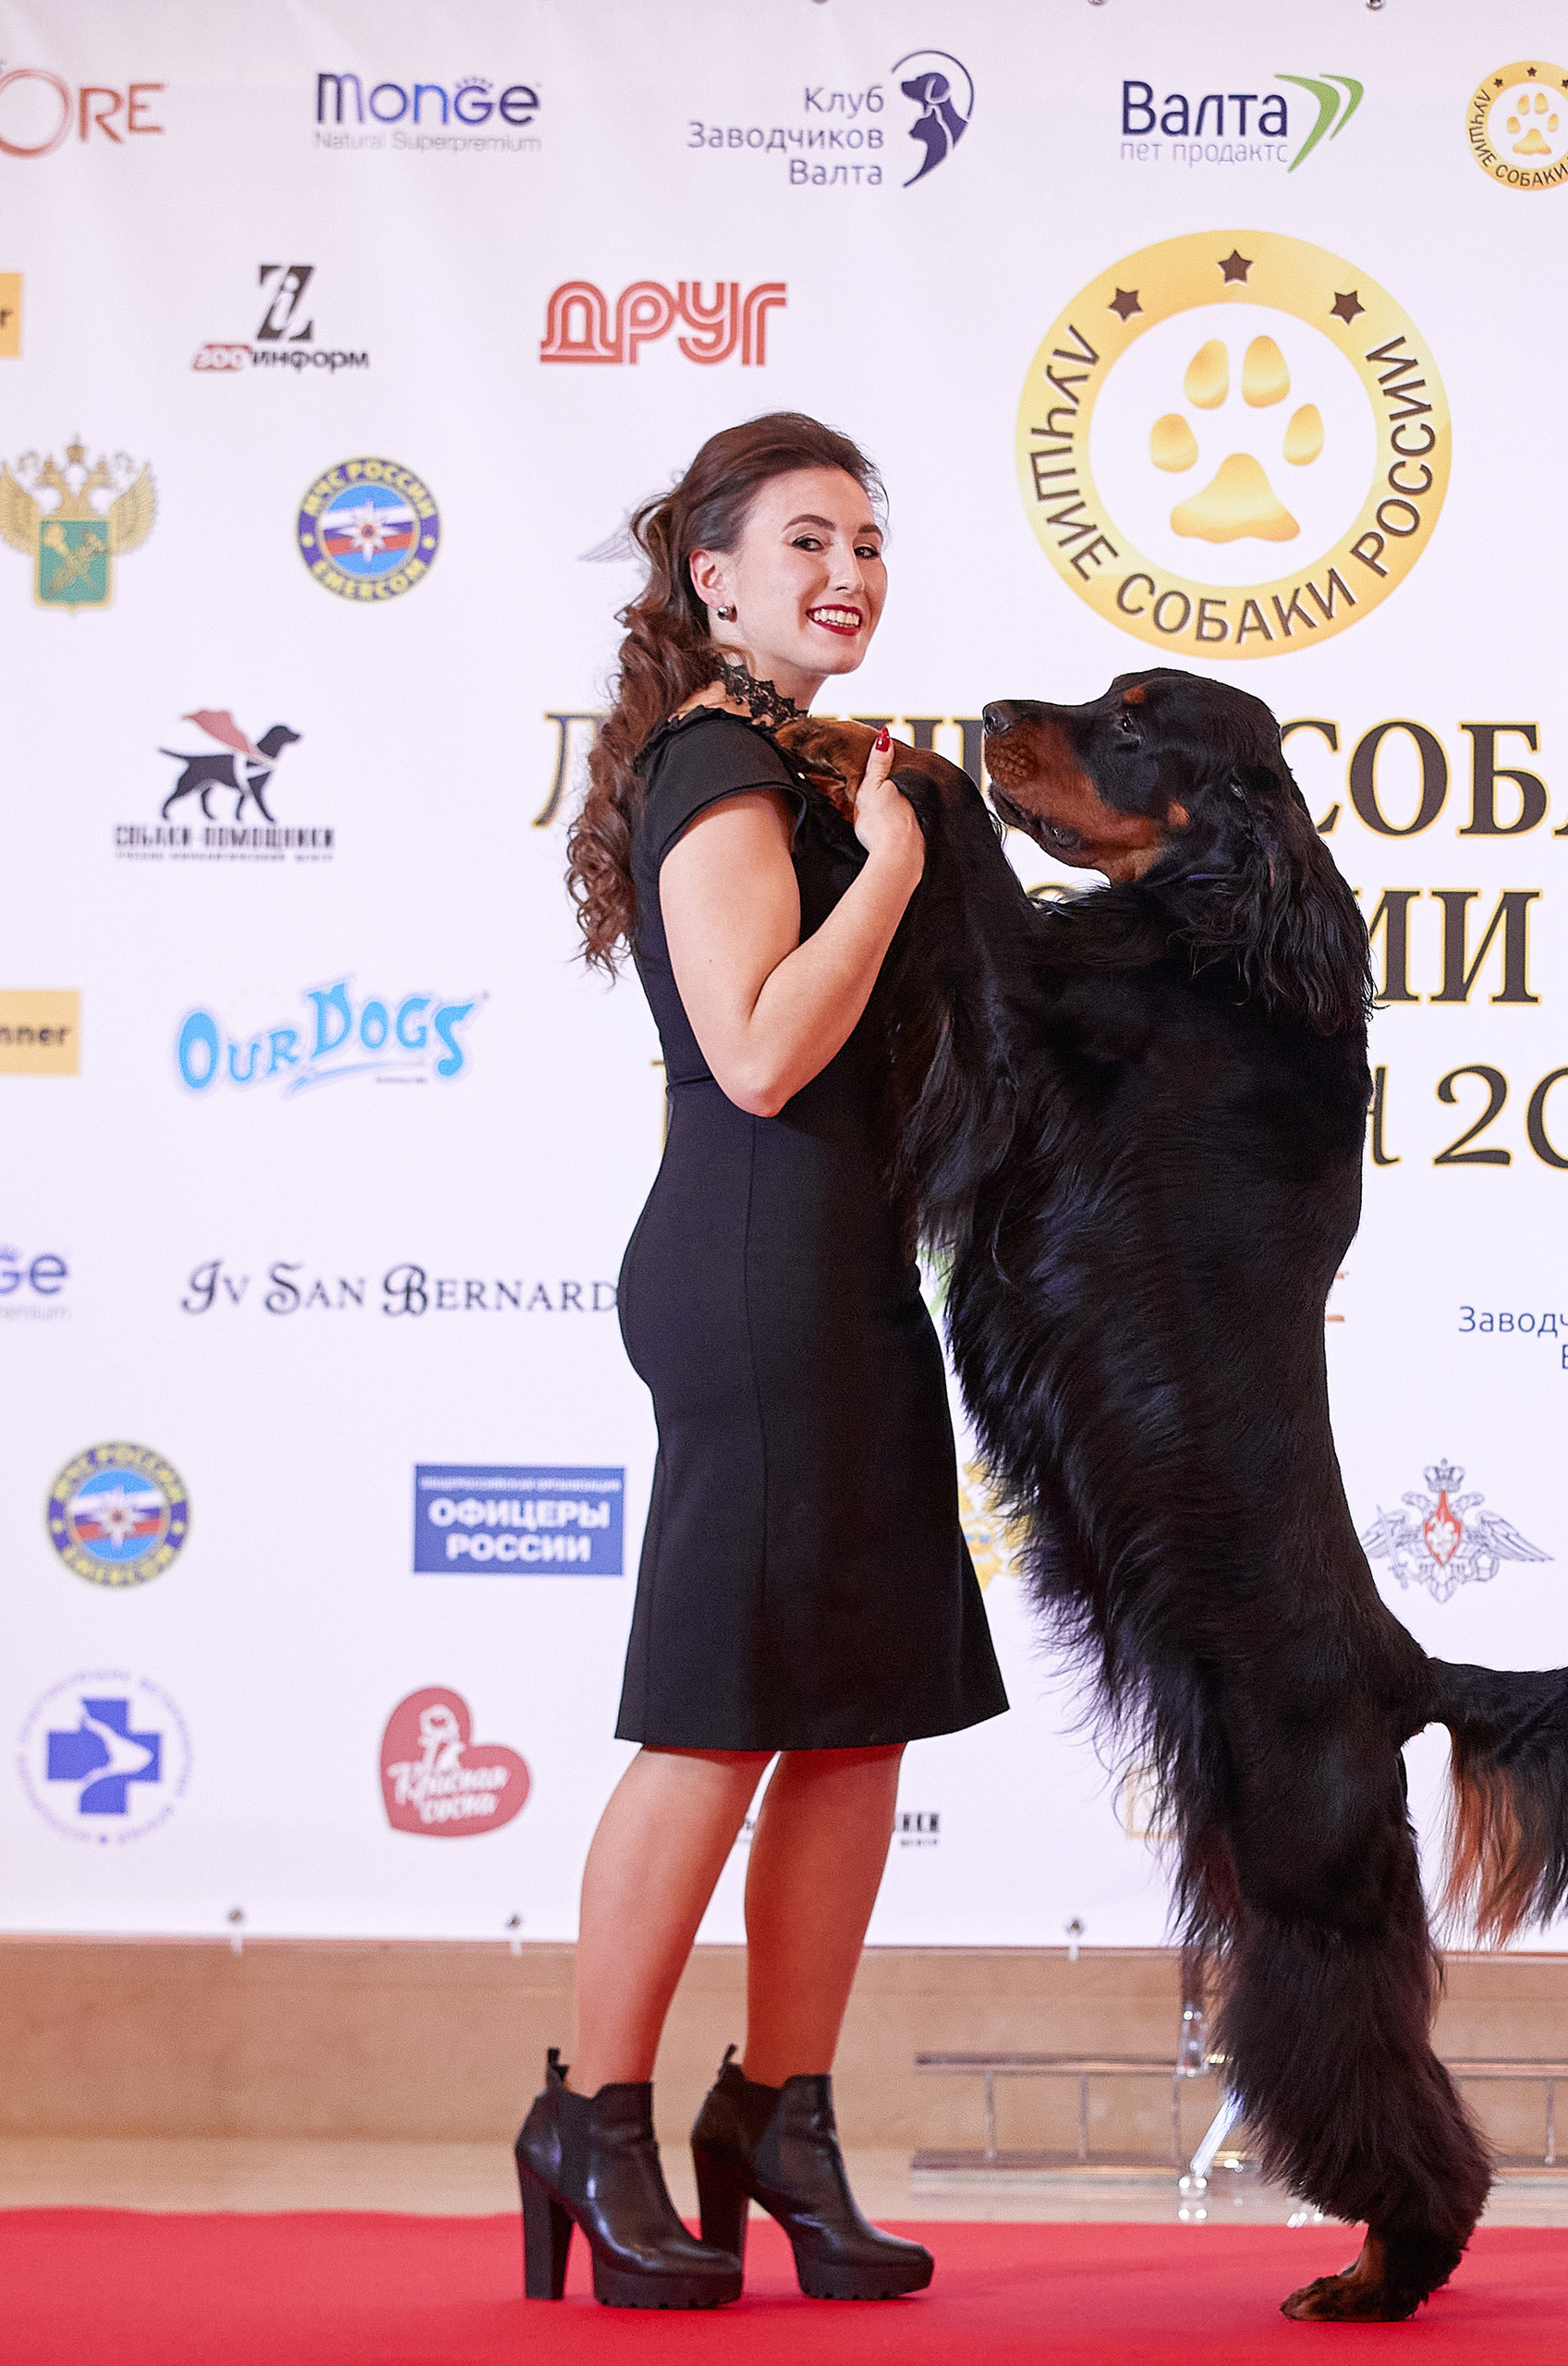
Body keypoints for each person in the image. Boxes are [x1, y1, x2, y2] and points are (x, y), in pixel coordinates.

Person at [517, 412, 1007, 2311]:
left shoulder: (843, 765)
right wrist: (883, 867)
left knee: (855, 1711)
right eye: (806, 540)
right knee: (718, 1712)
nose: (848, 571)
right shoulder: (717, 762)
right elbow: (757, 1051)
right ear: (712, 574)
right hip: (750, 1279)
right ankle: (599, 2113)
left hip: (847, 1274)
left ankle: (777, 2117)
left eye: (869, 541)